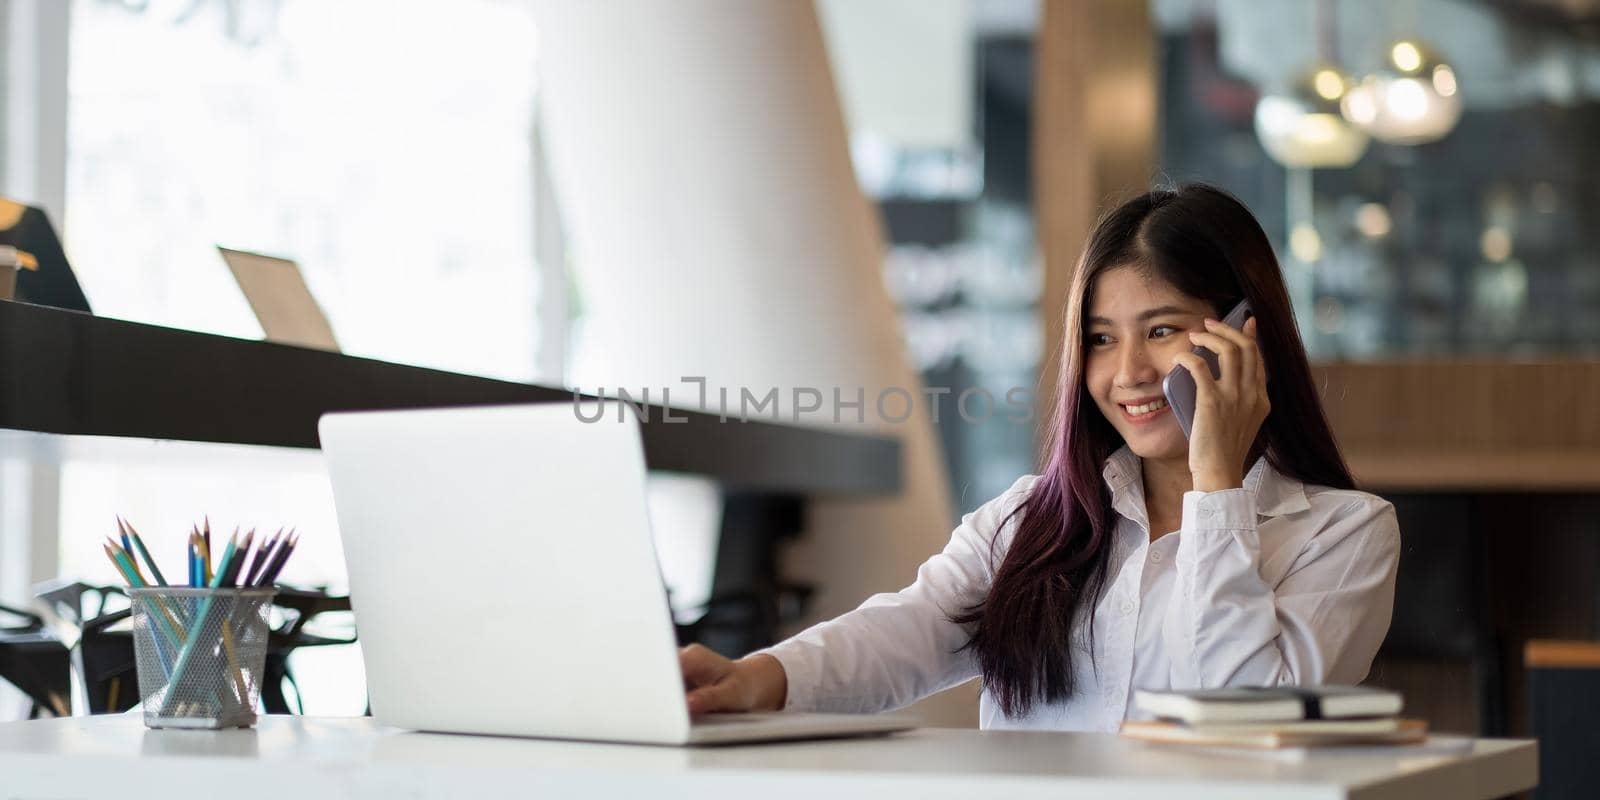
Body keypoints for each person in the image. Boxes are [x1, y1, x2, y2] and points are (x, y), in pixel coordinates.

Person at [678, 183, 1401, 731]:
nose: (1128, 374)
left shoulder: (1345, 534)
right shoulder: (1035, 518)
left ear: (1247, 337)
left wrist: (1217, 486)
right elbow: (906, 630)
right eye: (1100, 338)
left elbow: (1244, 721)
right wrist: (757, 677)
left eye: (1161, 330)